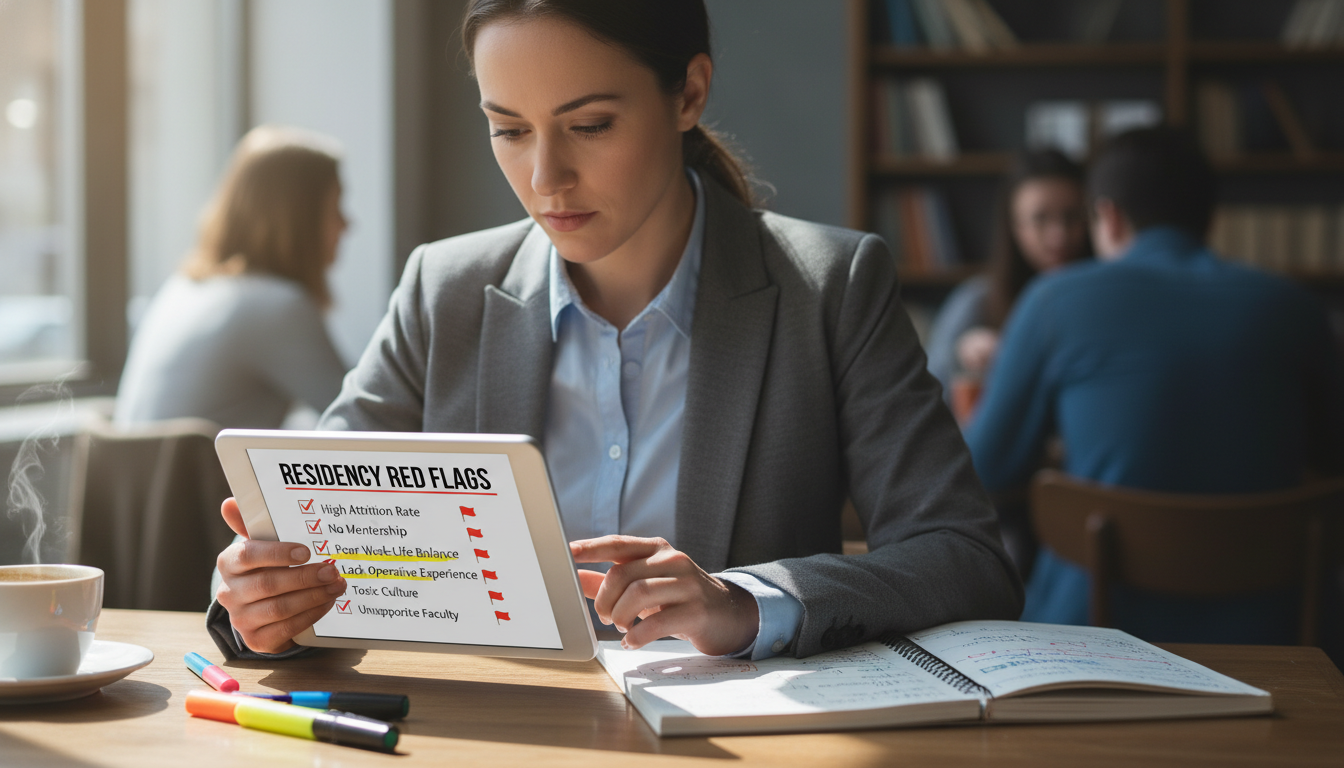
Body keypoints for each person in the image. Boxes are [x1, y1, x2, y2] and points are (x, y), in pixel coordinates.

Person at [208, 0, 1022, 661]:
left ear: (689, 93)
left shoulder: (829, 288)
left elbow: (964, 557)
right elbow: (298, 535)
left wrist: (745, 603)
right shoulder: (444, 290)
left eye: (589, 125)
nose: (544, 177)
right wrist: (262, 603)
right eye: (510, 128)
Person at [965, 126, 1341, 643]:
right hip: (1275, 632)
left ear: (1109, 217)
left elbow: (981, 469)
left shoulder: (1054, 301)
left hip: (1091, 629)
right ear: (1209, 218)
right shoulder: (1296, 308)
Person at [115, 125, 349, 432]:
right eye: (335, 207)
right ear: (298, 220)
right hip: (204, 481)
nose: (346, 224)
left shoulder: (185, 289)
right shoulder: (276, 307)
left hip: (150, 479)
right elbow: (367, 419)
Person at [925, 150, 1091, 414]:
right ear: (1014, 225)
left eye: (1072, 217)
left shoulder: (1107, 298)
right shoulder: (977, 301)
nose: (1059, 236)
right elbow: (924, 402)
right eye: (1040, 219)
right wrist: (962, 361)